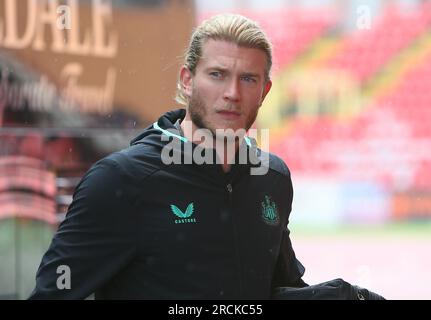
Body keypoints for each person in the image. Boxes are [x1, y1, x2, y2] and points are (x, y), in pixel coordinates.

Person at [30, 13, 382, 300]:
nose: (232, 93)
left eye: (248, 79)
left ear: (265, 90)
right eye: (217, 75)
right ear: (187, 80)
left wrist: (338, 296)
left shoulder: (271, 176)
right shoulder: (121, 180)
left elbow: (269, 291)